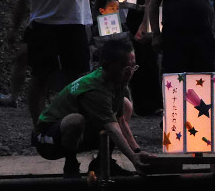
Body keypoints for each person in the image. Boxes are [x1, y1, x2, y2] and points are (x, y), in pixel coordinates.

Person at [32, 39, 154, 178]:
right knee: (76, 120)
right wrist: (133, 159)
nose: (130, 73)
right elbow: (112, 127)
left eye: (133, 67)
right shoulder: (94, 89)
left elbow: (121, 122)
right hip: (47, 138)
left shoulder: (119, 82)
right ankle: (71, 163)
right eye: (126, 68)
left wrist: (137, 152)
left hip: (79, 133)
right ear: (107, 66)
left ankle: (102, 162)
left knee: (125, 105)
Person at [12, 0, 102, 124]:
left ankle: (75, 121)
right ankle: (39, 126)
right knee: (40, 75)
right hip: (43, 20)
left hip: (74, 20)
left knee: (76, 75)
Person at [124, 0, 162, 116]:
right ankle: (139, 103)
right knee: (136, 61)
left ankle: (155, 102)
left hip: (154, 17)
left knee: (151, 62)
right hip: (134, 18)